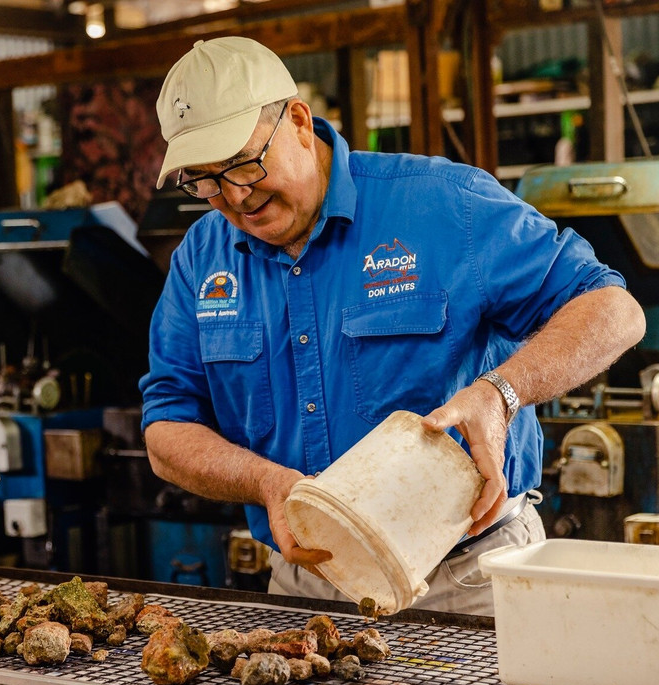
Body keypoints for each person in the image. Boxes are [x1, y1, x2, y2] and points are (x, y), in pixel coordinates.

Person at [138, 37, 646, 614]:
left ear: (298, 121)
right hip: (306, 586)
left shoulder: (445, 205)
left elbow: (613, 310)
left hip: (470, 578)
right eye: (205, 181)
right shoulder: (201, 258)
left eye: (244, 165)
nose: (235, 197)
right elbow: (167, 430)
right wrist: (265, 482)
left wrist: (499, 394)